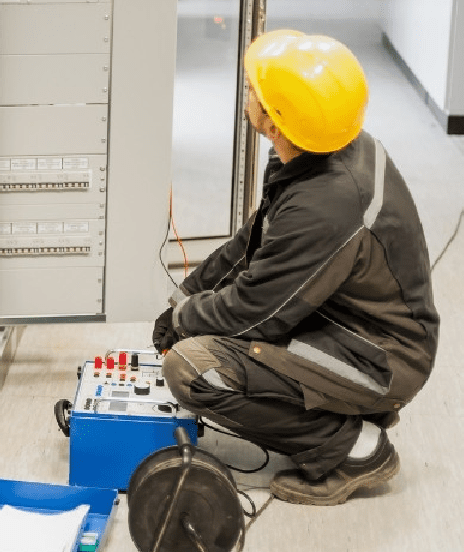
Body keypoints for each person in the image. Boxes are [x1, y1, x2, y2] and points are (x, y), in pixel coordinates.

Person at [150, 30, 440, 506]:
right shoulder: (328, 146)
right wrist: (183, 302)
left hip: (382, 358)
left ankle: (356, 449)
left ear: (276, 123)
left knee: (194, 369)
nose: (248, 93)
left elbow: (255, 312)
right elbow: (254, 245)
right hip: (348, 324)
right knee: (205, 330)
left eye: (254, 91)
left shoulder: (325, 203)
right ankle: (337, 411)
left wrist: (186, 322)